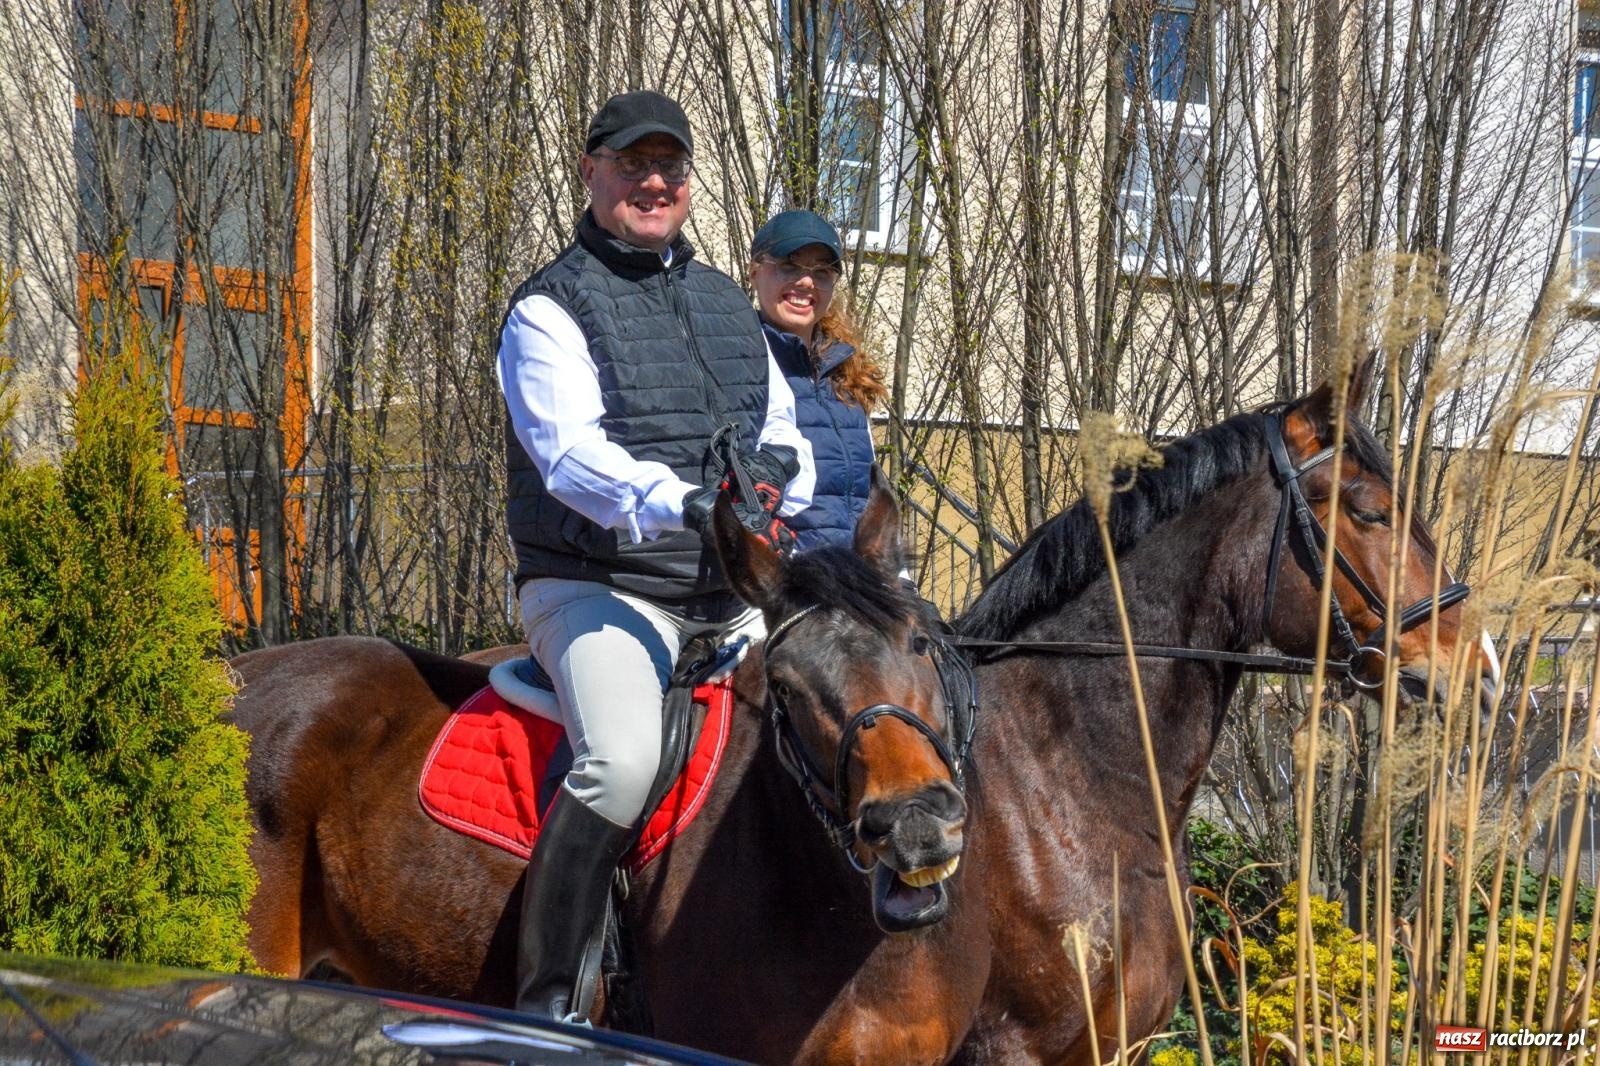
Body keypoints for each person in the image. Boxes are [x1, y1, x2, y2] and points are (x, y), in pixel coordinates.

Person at [495, 90, 814, 1021]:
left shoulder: (726, 302)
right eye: (633, 163)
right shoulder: (548, 308)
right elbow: (568, 459)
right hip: (599, 588)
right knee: (623, 762)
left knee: (842, 722)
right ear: (591, 170)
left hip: (727, 597)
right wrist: (689, 504)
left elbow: (782, 429)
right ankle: (548, 1005)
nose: (653, 181)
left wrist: (768, 485)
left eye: (669, 166)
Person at [749, 210, 887, 552]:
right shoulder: (739, 363)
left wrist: (896, 578)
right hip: (786, 587)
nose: (806, 282)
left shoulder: (846, 375)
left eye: (822, 272)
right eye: (790, 266)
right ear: (755, 272)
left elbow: (866, 498)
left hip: (852, 582)